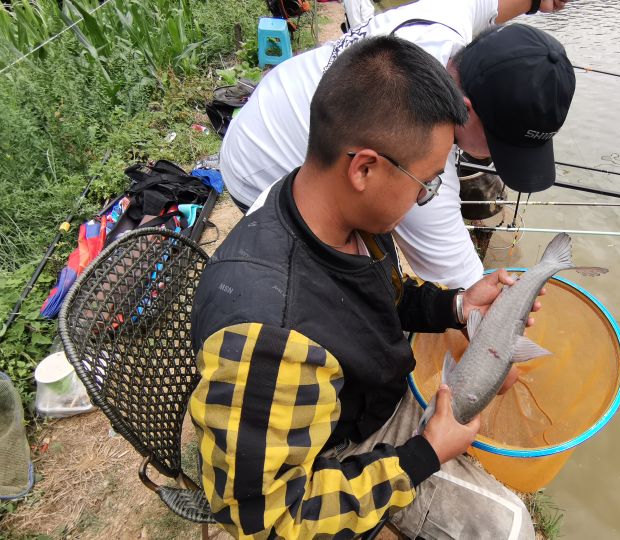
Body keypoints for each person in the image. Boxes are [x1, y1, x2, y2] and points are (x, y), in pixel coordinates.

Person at [190, 36, 541, 539]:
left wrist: (458, 305)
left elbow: (383, 300)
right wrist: (424, 456)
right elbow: (267, 520)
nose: (426, 197)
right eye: (426, 181)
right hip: (338, 450)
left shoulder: (333, 214)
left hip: (364, 400)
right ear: (365, 168)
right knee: (511, 529)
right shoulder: (268, 340)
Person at [220, 0, 575, 289]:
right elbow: (461, 280)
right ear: (465, 111)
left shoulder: (449, 17)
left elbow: (495, 5)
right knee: (342, 283)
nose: (497, 161)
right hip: (263, 162)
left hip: (282, 89)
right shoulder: (416, 144)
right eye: (501, 148)